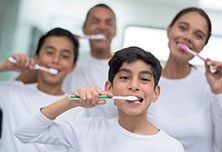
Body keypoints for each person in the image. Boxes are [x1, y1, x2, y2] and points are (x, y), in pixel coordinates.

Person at [15, 46, 185, 152]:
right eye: (125, 78)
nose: (134, 85)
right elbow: (24, 133)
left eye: (145, 79)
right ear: (109, 88)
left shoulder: (170, 147)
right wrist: (70, 101)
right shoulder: (86, 129)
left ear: (155, 93)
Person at [17, 3, 118, 118]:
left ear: (115, 31)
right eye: (95, 21)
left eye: (108, 23)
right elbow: (18, 84)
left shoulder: (120, 67)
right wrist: (65, 45)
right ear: (84, 29)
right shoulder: (68, 60)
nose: (102, 27)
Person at [147, 7, 222, 152]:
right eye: (183, 28)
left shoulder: (210, 87)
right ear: (169, 30)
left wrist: (219, 93)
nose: (188, 37)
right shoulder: (145, 84)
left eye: (198, 35)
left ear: (202, 47)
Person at [0, 27, 82, 152]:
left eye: (65, 56)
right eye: (49, 52)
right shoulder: (12, 91)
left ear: (73, 66)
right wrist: (6, 66)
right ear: (37, 58)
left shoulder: (77, 107)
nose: (56, 60)